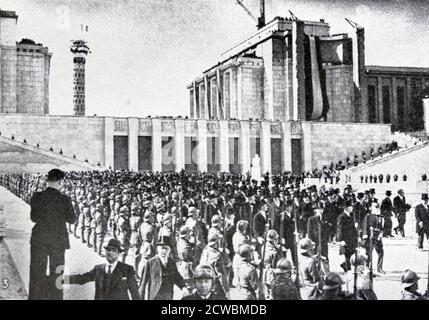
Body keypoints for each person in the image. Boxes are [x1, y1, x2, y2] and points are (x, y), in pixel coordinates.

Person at [29, 169, 76, 300]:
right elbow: (72, 219)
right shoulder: (65, 199)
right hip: (58, 239)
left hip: (39, 238)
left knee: (37, 272)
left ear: (48, 180)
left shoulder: (36, 196)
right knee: (58, 272)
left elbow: (33, 218)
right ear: (60, 182)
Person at [65, 239, 140, 300]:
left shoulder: (127, 269)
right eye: (108, 250)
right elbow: (82, 278)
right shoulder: (98, 269)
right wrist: (61, 279)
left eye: (114, 250)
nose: (110, 252)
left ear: (118, 254)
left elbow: (135, 293)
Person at [139, 235, 189, 300]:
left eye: (166, 248)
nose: (164, 251)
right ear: (157, 249)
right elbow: (142, 284)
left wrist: (183, 287)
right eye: (162, 248)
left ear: (170, 250)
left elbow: (177, 276)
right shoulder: (150, 263)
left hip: (168, 296)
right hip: (154, 296)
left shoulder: (171, 262)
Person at [362, 202, 385, 274]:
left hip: (377, 237)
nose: (377, 209)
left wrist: (381, 234)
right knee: (368, 253)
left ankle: (379, 268)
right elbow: (365, 227)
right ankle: (368, 268)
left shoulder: (380, 216)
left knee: (381, 252)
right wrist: (365, 237)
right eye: (375, 207)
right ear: (371, 208)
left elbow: (381, 227)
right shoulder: (368, 216)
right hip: (370, 237)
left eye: (378, 207)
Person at [337, 200, 358, 272]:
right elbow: (340, 229)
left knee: (353, 254)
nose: (352, 208)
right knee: (347, 255)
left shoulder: (351, 215)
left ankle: (345, 265)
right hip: (345, 239)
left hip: (352, 238)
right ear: (346, 208)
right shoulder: (342, 217)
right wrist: (341, 240)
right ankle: (348, 270)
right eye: (350, 206)